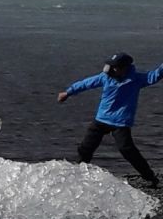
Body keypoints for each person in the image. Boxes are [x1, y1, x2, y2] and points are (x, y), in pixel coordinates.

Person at [57, 52, 163, 188]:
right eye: (111, 66)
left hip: (120, 123)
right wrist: (68, 92)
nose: (112, 69)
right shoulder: (106, 77)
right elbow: (86, 83)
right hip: (101, 120)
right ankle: (79, 173)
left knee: (127, 150)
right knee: (85, 148)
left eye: (116, 67)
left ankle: (150, 178)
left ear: (125, 67)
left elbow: (154, 76)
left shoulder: (136, 79)